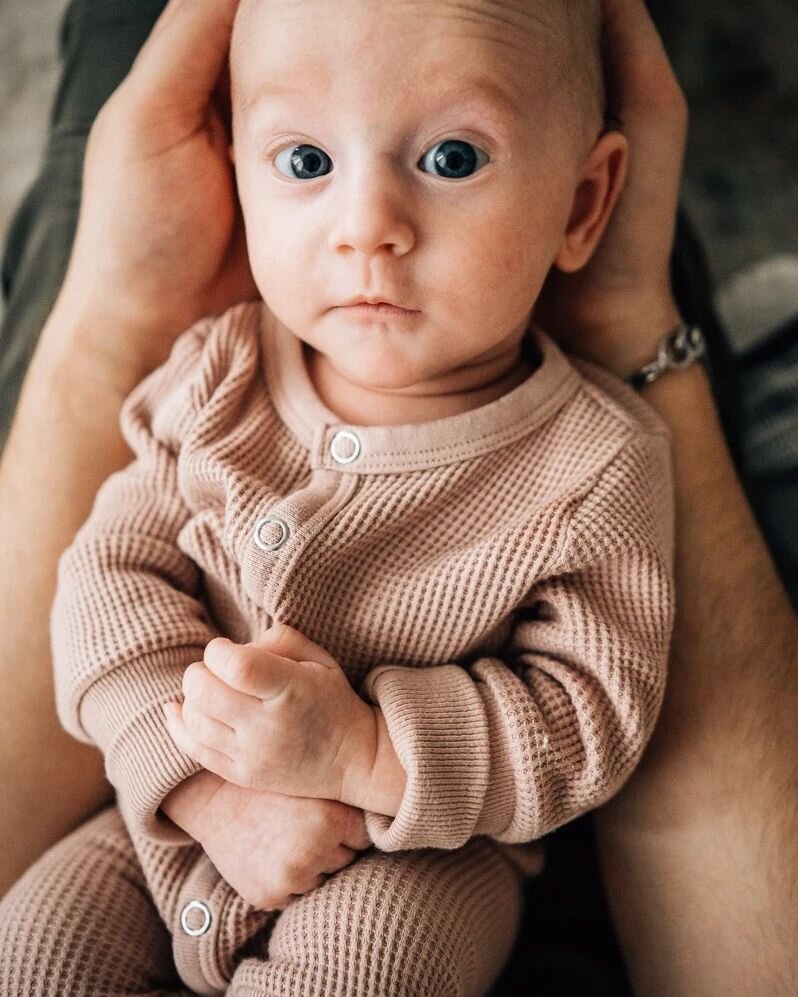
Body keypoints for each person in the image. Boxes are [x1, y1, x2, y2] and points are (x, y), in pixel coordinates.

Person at [0, 0, 793, 994]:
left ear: (585, 205)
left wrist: (369, 752)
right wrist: (204, 787)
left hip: (416, 861)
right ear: (238, 171)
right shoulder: (217, 373)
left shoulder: (594, 463)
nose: (367, 225)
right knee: (34, 944)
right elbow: (108, 581)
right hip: (171, 821)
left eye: (453, 159)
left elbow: (589, 712)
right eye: (303, 163)